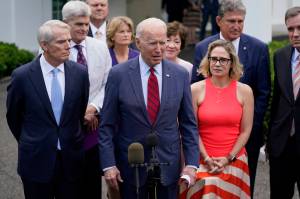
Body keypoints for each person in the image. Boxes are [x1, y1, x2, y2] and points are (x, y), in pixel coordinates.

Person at [99, 17, 199, 199]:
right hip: (130, 166)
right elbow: (106, 125)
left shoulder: (180, 75)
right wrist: (108, 165)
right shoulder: (118, 75)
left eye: (163, 42)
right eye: (153, 43)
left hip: (168, 164)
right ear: (138, 43)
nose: (160, 49)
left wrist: (191, 164)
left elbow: (188, 124)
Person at [191, 0, 271, 195]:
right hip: (205, 145)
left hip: (242, 139)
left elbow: (264, 91)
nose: (237, 26)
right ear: (218, 20)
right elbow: (193, 90)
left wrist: (248, 126)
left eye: (240, 21)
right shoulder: (202, 47)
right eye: (231, 21)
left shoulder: (258, 48)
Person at [6, 20, 89, 199]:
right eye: (61, 42)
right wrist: (33, 138)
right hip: (36, 159)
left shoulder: (80, 73)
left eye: (69, 40)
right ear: (44, 45)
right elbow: (13, 116)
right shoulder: (22, 76)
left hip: (71, 159)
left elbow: (79, 112)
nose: (68, 46)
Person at [181, 39, 253, 198]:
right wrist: (206, 158)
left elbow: (245, 131)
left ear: (232, 62)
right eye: (213, 59)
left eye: (223, 60)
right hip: (201, 161)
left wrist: (228, 159)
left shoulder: (245, 91)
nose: (217, 63)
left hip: (234, 161)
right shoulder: (195, 90)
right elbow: (191, 129)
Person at [61, 1, 112, 199]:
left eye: (86, 23)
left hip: (93, 125)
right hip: (65, 126)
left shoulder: (100, 47)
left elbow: (108, 84)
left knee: (91, 182)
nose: (84, 28)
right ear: (66, 24)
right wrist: (77, 112)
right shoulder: (52, 48)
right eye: (78, 24)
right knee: (68, 183)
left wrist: (92, 107)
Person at [267, 7, 300, 199]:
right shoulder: (280, 56)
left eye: (299, 28)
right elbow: (277, 99)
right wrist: (271, 140)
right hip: (282, 145)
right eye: (290, 29)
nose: (295, 34)